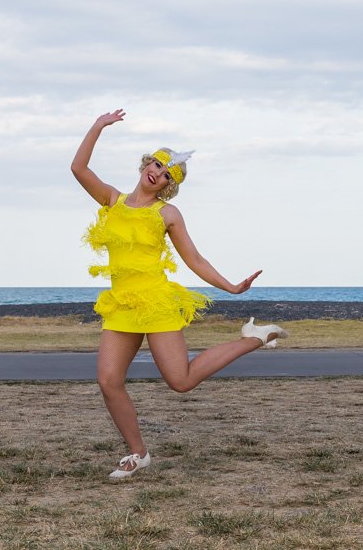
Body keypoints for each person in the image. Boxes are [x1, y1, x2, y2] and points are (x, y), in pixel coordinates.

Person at [72, 110, 286, 479]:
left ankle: (254, 337)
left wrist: (231, 287)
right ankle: (138, 453)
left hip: (155, 302)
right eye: (156, 164)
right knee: (108, 381)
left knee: (181, 381)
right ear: (145, 164)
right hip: (122, 304)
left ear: (168, 185)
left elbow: (194, 259)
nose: (157, 172)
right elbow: (79, 169)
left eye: (167, 174)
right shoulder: (112, 200)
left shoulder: (167, 213)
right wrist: (97, 127)